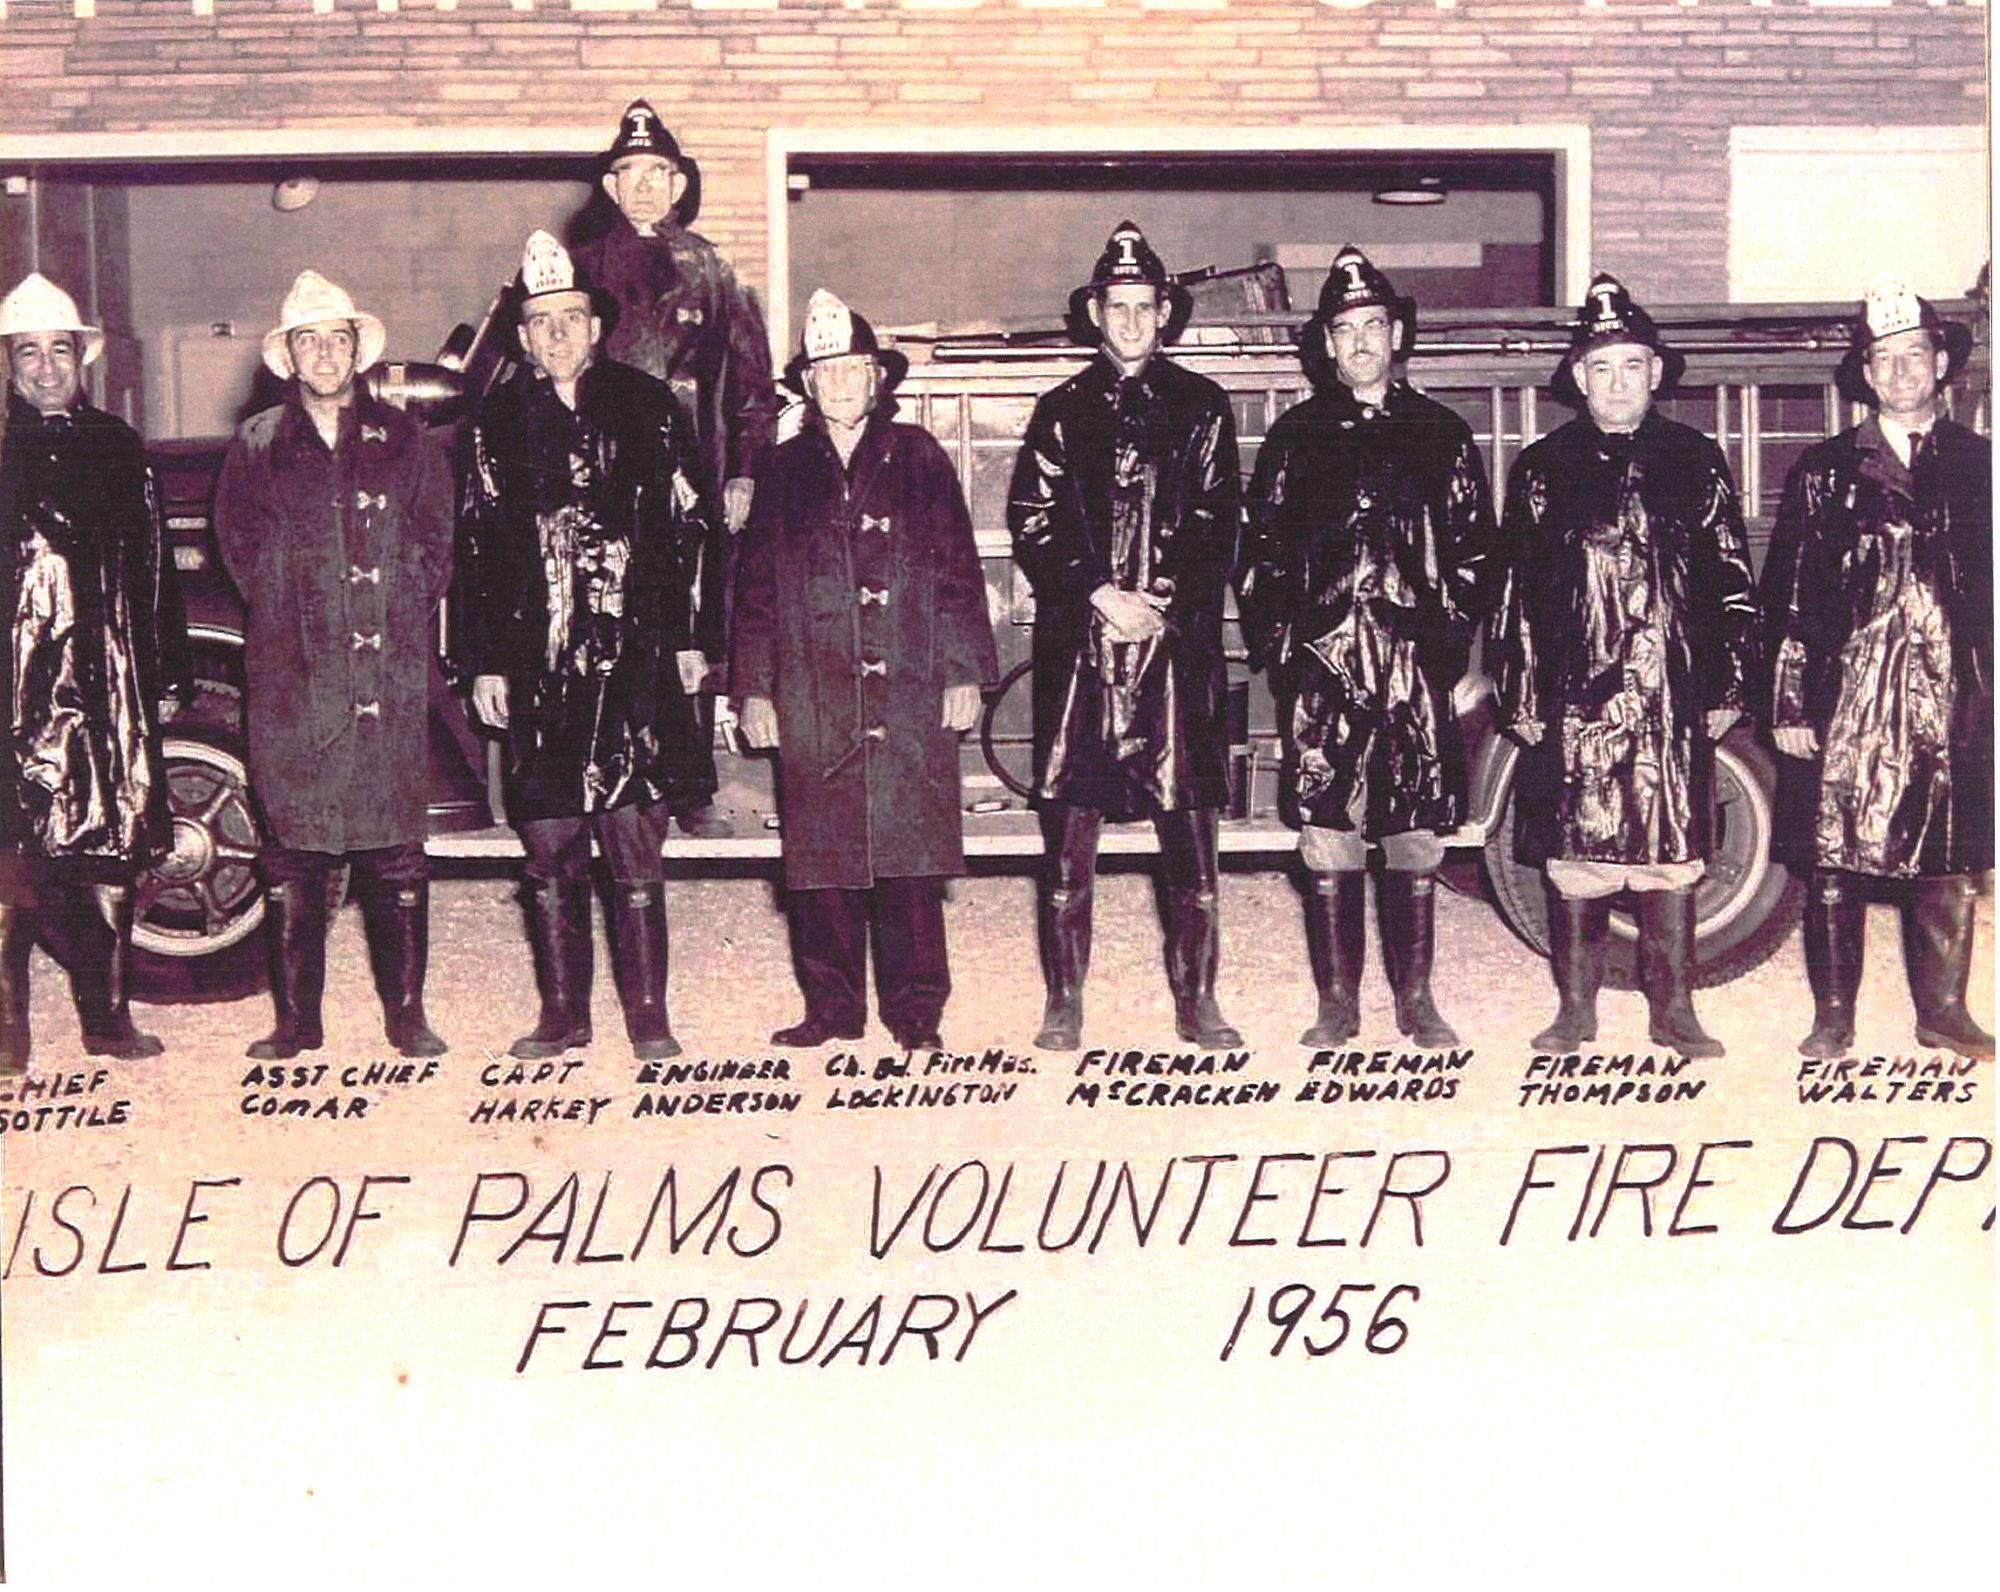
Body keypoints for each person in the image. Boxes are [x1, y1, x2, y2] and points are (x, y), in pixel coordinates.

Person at [459, 231, 719, 1062]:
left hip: (637, 659)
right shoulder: (494, 421)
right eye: (542, 322)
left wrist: (691, 640)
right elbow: (476, 548)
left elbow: (690, 528)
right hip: (537, 663)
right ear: (525, 339)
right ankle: (564, 1016)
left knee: (637, 834)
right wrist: (484, 661)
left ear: (596, 327)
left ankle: (648, 1016)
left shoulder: (647, 405)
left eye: (572, 317)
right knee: (549, 842)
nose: (559, 333)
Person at [1486, 273, 1760, 1058]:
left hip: (1673, 690)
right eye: (1600, 367)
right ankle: (1577, 1011)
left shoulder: (1696, 459)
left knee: (1671, 857)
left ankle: (1673, 1013)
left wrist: (1730, 682)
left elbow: (1732, 579)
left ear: (1656, 372)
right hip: (1577, 696)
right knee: (1579, 857)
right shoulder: (1542, 467)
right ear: (1578, 378)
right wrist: (1522, 687)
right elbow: (1513, 590)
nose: (1617, 382)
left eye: (1632, 365)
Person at [1239, 246, 1495, 1049]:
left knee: (1415, 832)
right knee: (1330, 832)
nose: (1359, 343)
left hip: (1414, 671)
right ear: (1326, 343)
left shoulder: (1442, 434)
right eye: (1344, 329)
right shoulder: (1296, 437)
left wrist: (1449, 653)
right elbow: (1263, 557)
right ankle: (1338, 1003)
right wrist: (1287, 651)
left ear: (1396, 336)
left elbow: (1475, 555)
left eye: (1372, 326)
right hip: (1325, 671)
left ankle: (1414, 1002)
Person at [733, 289, 997, 1051]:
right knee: (822, 858)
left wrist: (963, 672)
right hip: (812, 688)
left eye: (856, 369)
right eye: (827, 372)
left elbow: (957, 569)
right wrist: (753, 688)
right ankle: (832, 1009)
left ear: (879, 379)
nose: (843, 383)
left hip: (911, 680)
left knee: (910, 856)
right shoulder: (781, 469)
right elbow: (751, 588)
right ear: (809, 387)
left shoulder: (918, 455)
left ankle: (917, 1013)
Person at [1008, 221, 1243, 1051]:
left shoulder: (1203, 406)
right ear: (1097, 314)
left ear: (1164, 314)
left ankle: (1198, 1000)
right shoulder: (1062, 411)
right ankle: (1065, 1000)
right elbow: (1033, 520)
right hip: (1083, 652)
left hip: (1176, 654)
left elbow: (1218, 519)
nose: (1134, 321)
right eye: (1120, 306)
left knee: (1193, 844)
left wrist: (1161, 597)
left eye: (1147, 307)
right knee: (1070, 850)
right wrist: (1102, 593)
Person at [214, 270, 453, 1060]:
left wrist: (393, 604)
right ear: (287, 354)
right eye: (308, 340)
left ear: (357, 351)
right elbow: (238, 546)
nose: (324, 353)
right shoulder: (255, 444)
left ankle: (406, 1015)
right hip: (292, 679)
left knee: (395, 849)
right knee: (295, 851)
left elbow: (435, 540)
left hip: (386, 673)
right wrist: (296, 611)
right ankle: (297, 1023)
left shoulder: (406, 439)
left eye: (337, 339)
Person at [1761, 277, 1992, 1060]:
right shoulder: (1824, 471)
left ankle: (1943, 1013)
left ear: (1940, 364)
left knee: (1949, 859)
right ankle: (1834, 1015)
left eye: (1913, 354)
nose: (1899, 372)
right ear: (1864, 375)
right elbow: (1789, 595)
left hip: (1953, 691)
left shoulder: (1980, 466)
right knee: (1836, 859)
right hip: (1848, 696)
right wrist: (1790, 704)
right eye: (1882, 359)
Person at [575, 98, 780, 841]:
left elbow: (756, 389)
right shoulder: (579, 272)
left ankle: (690, 783)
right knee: (609, 612)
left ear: (677, 184)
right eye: (630, 175)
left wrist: (746, 474)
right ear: (610, 188)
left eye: (659, 174)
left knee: (691, 617)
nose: (645, 189)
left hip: (699, 475)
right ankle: (612, 777)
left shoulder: (713, 270)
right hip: (607, 478)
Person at [0, 272, 189, 1075]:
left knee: (108, 845)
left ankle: (106, 1020)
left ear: (83, 359)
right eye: (29, 353)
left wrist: (167, 666)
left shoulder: (118, 445)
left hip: (107, 678)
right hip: (12, 685)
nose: (46, 368)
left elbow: (153, 565)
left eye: (59, 351)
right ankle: (8, 1033)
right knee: (12, 855)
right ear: (10, 366)